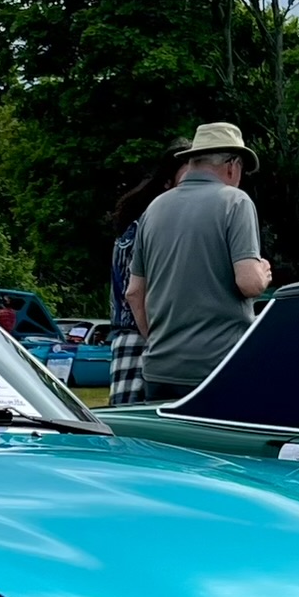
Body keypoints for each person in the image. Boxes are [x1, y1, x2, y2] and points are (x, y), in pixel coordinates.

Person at [125, 122, 272, 403]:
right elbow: (249, 283)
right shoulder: (235, 202)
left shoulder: (154, 208)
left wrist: (157, 342)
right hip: (218, 367)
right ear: (232, 165)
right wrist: (263, 272)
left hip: (159, 369)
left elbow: (133, 293)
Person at [104, 139, 193, 406]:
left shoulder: (150, 224)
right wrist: (156, 341)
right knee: (130, 421)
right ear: (167, 182)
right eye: (188, 179)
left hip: (149, 338)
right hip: (138, 338)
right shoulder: (144, 228)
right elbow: (134, 294)